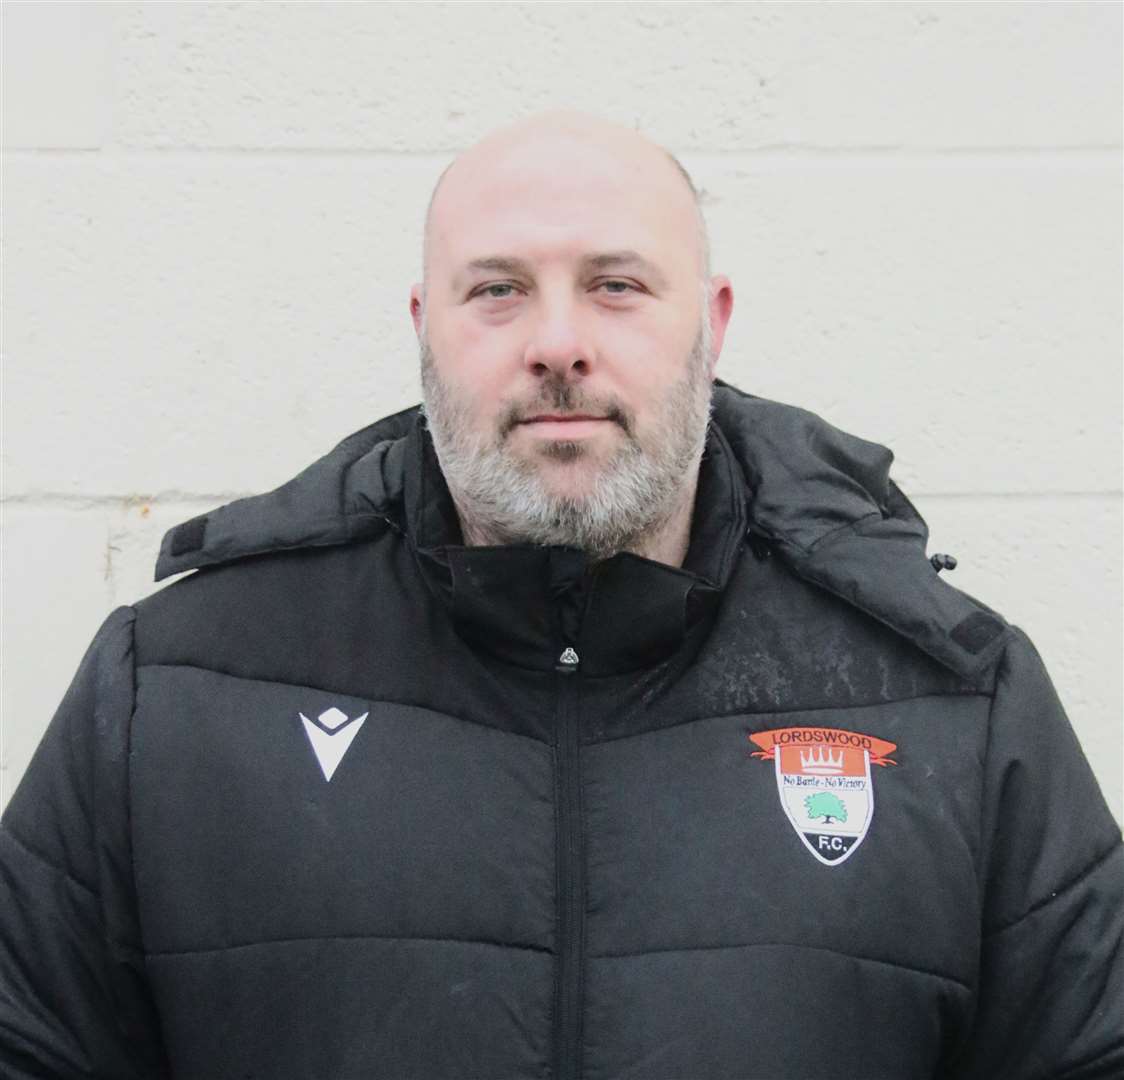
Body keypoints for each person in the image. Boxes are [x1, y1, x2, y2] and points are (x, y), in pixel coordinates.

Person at [0, 110, 1120, 1080]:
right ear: (422, 327)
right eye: (496, 291)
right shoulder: (181, 687)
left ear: (712, 321)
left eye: (615, 286)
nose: (556, 345)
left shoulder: (944, 704)